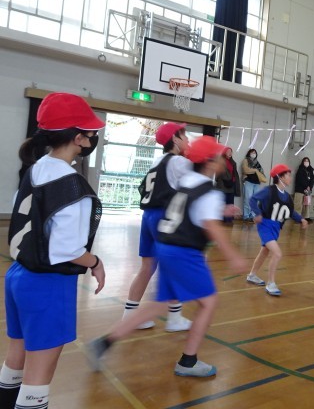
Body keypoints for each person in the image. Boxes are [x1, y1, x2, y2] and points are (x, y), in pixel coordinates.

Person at [86, 136, 247, 377]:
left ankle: (104, 343)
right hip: (185, 252)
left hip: (166, 247)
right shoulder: (208, 191)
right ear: (209, 162)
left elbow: (190, 209)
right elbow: (211, 226)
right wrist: (233, 255)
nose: (223, 162)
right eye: (219, 158)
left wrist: (221, 210)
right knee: (208, 303)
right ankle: (188, 361)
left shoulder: (186, 182)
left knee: (160, 304)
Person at [1, 92, 106, 408]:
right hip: (47, 283)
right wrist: (95, 262)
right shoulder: (70, 184)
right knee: (38, 378)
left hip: (19, 274)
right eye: (90, 132)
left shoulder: (35, 168)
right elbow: (66, 249)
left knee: (15, 357)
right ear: (78, 138)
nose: (93, 136)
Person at [123, 122, 192, 332]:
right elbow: (199, 182)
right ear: (175, 139)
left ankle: (130, 316)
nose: (188, 140)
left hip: (148, 216)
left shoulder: (157, 161)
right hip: (164, 216)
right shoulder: (179, 162)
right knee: (175, 266)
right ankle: (175, 318)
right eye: (185, 136)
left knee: (147, 267)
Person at [246, 164, 309, 296]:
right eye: (288, 175)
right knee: (277, 253)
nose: (290, 178)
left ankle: (252, 275)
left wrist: (301, 219)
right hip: (265, 225)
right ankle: (271, 283)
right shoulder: (269, 190)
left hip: (276, 228)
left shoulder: (287, 197)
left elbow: (291, 212)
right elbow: (253, 199)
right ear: (280, 177)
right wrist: (258, 213)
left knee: (264, 252)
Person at [214, 146, 241, 224]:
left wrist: (234, 180)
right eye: (228, 151)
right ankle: (221, 219)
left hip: (231, 185)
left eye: (231, 152)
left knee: (230, 202)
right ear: (224, 152)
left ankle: (229, 219)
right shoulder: (221, 161)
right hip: (222, 185)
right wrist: (228, 177)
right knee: (223, 203)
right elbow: (217, 175)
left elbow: (234, 174)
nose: (230, 153)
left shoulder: (233, 163)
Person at [241, 148, 266, 222]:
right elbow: (245, 170)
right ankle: (246, 216)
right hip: (249, 182)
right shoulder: (246, 160)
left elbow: (261, 172)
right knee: (247, 199)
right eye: (252, 152)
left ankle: (253, 215)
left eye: (255, 153)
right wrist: (255, 170)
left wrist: (256, 171)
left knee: (255, 200)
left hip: (256, 183)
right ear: (249, 153)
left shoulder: (257, 162)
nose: (253, 154)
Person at [293, 157, 314, 222]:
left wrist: (310, 187)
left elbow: (312, 180)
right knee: (298, 205)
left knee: (307, 204)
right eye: (305, 161)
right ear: (303, 162)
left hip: (308, 190)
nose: (306, 162)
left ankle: (306, 217)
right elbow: (300, 179)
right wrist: (306, 186)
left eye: (307, 161)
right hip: (300, 189)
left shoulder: (311, 171)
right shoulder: (300, 170)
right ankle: (297, 217)